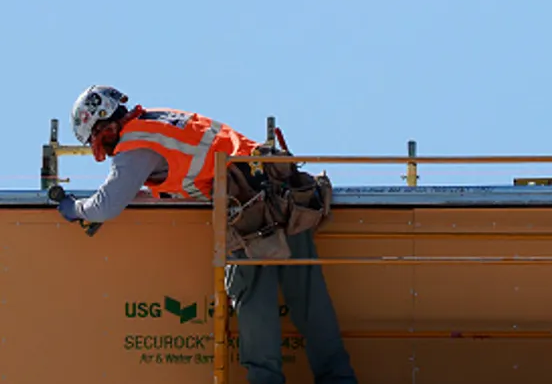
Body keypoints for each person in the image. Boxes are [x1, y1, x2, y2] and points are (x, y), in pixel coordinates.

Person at [56, 84, 358, 384]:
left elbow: (107, 204)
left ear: (105, 125)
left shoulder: (135, 144)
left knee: (255, 304)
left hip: (249, 207)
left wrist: (75, 208)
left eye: (99, 140)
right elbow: (182, 171)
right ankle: (339, 378)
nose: (105, 150)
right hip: (283, 192)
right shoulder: (157, 120)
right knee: (309, 299)